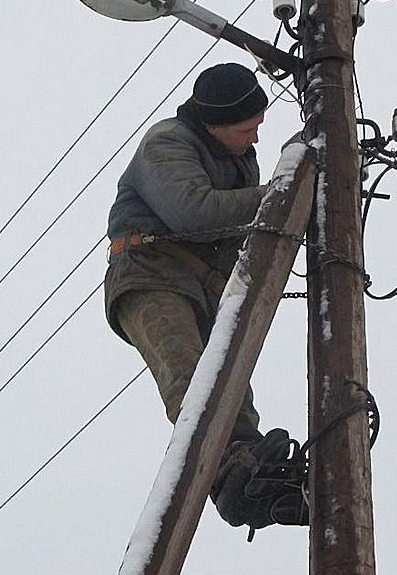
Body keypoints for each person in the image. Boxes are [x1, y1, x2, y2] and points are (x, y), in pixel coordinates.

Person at [103, 62, 307, 533]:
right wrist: (284, 192)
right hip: (150, 275)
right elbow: (194, 214)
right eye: (246, 128)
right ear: (215, 124)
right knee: (191, 378)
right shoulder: (168, 143)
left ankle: (256, 474)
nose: (255, 138)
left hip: (206, 286)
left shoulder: (238, 159)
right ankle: (232, 477)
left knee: (231, 382)